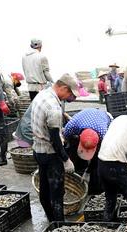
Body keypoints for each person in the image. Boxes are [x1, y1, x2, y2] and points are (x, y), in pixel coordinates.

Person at [31, 74, 80, 222]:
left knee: (45, 188)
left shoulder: (42, 94)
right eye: (69, 94)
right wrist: (65, 159)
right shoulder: (53, 107)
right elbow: (55, 139)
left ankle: (51, 220)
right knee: (57, 193)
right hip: (51, 154)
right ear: (63, 88)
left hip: (38, 150)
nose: (69, 97)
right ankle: (59, 225)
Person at [62, 108, 112, 195]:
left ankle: (95, 187)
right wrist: (67, 160)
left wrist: (88, 172)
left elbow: (98, 156)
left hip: (104, 116)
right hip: (83, 119)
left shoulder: (104, 135)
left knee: (101, 162)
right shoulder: (71, 127)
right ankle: (77, 171)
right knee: (72, 147)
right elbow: (65, 142)